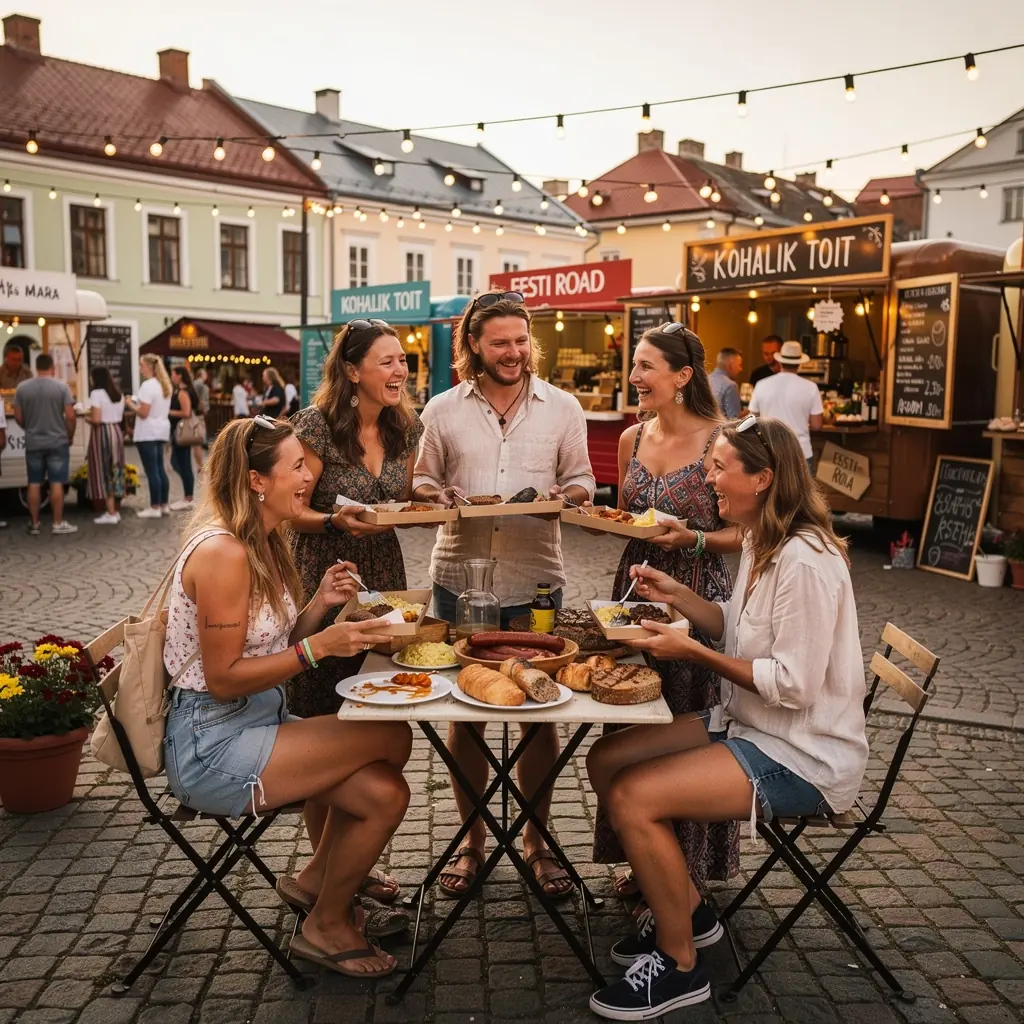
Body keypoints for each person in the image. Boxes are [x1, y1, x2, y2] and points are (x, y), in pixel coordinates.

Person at [585, 416, 868, 1019]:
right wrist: (676, 596)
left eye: (719, 468)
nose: (707, 478)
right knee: (607, 759)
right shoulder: (758, 539)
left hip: (803, 754)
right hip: (751, 724)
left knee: (635, 796)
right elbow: (737, 629)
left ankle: (681, 965)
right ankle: (688, 909)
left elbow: (792, 685)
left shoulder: (806, 562)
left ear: (763, 478)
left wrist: (688, 651)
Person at [163, 416, 409, 977]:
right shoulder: (224, 554)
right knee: (390, 736)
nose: (308, 478)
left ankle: (317, 886)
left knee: (385, 793)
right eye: (296, 467)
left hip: (256, 722)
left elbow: (268, 644)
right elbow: (224, 678)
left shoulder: (262, 542)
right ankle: (325, 923)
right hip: (211, 746)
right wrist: (319, 647)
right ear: (256, 480)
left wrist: (319, 605)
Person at [413, 292, 596, 899]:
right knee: (465, 718)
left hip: (536, 579)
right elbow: (422, 479)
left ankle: (538, 843)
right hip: (458, 578)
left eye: (521, 340)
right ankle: (471, 844)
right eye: (500, 342)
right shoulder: (441, 409)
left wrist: (571, 496)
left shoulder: (562, 407)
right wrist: (436, 497)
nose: (514, 352)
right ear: (473, 345)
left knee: (539, 717)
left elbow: (581, 480)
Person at [590, 322, 742, 902]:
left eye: (645, 366)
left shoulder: (720, 441)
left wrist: (695, 542)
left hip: (695, 590)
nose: (634, 377)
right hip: (634, 586)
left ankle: (687, 871)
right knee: (631, 711)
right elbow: (630, 516)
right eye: (634, 365)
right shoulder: (631, 438)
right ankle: (641, 859)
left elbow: (742, 531)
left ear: (682, 376)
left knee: (682, 720)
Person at [288, 317, 423, 908]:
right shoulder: (315, 427)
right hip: (325, 578)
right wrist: (330, 520)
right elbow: (287, 507)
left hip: (383, 575)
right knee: (325, 720)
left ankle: (346, 862)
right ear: (351, 371)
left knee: (368, 712)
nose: (400, 371)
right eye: (387, 361)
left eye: (403, 361)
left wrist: (428, 498)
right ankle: (330, 870)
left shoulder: (402, 428)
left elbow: (401, 495)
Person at [13, 353, 77, 536]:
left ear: (35, 368)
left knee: (34, 482)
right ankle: (57, 523)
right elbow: (71, 416)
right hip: (57, 441)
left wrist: (29, 426)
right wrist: (69, 434)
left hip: (33, 441)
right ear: (53, 367)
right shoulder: (62, 387)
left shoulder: (22, 388)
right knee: (56, 482)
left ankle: (34, 524)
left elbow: (18, 416)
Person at [749, 340, 823, 471]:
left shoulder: (761, 384)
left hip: (769, 449)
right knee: (802, 491)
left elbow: (752, 419)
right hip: (800, 451)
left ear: (780, 361)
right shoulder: (811, 387)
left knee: (770, 491)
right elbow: (817, 425)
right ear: (799, 364)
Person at [125, 354, 172, 518]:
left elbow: (144, 412)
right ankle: (164, 504)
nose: (140, 368)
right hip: (161, 430)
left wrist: (130, 404)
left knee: (152, 470)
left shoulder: (147, 385)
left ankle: (154, 506)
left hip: (147, 432)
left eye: (142, 365)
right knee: (160, 469)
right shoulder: (164, 385)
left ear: (150, 367)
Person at [86, 367, 126, 526]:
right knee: (116, 468)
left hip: (102, 433)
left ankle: (110, 512)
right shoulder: (118, 394)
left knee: (105, 469)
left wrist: (85, 418)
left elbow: (96, 419)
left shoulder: (96, 394)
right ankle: (115, 510)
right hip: (116, 431)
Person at [167, 364, 199, 511]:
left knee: (183, 463)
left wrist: (169, 412)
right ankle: (188, 494)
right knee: (177, 462)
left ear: (179, 375)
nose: (171, 376)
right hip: (177, 432)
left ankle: (189, 497)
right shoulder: (181, 391)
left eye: (173, 374)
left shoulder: (182, 393)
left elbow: (186, 413)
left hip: (181, 432)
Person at [709, 347, 743, 418]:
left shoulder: (705, 379)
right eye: (740, 365)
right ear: (731, 366)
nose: (741, 369)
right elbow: (734, 419)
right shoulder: (730, 385)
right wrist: (747, 413)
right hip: (721, 428)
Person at [190, 367, 210, 471]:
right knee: (198, 440)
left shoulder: (193, 384)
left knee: (197, 441)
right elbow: (201, 401)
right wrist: (203, 411)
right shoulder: (201, 385)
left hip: (193, 415)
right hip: (198, 416)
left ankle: (200, 464)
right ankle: (200, 464)